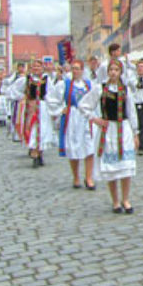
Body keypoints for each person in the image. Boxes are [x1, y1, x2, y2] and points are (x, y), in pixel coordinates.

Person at [77, 59, 139, 213]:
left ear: (120, 72)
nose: (113, 72)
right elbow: (83, 105)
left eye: (116, 70)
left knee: (126, 167)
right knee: (111, 169)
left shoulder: (126, 90)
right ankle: (115, 201)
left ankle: (126, 199)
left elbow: (131, 112)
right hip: (108, 129)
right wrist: (95, 119)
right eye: (111, 69)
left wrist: (135, 132)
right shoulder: (100, 89)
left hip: (123, 129)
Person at [46, 59, 96, 189]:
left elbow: (96, 100)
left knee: (90, 147)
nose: (75, 71)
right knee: (74, 148)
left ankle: (89, 177)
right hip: (73, 118)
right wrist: (60, 109)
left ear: (82, 70)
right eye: (73, 68)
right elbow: (51, 98)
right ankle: (76, 177)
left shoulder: (89, 85)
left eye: (77, 68)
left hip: (86, 118)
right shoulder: (65, 84)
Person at [8, 59, 54, 167]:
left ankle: (40, 153)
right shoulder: (26, 79)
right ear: (31, 68)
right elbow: (13, 90)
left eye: (38, 67)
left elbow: (52, 94)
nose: (36, 69)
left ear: (42, 68)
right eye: (34, 67)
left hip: (43, 107)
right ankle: (34, 153)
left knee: (42, 129)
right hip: (31, 107)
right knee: (32, 128)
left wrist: (50, 105)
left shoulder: (47, 80)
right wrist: (23, 97)